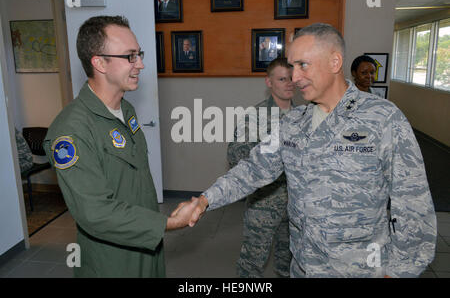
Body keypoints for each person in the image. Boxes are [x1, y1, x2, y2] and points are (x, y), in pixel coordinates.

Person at [176, 23, 437, 278]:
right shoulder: (293, 122)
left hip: (358, 269)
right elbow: (252, 169)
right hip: (303, 265)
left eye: (303, 65)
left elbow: (413, 202)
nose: (295, 77)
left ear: (335, 63)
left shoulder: (382, 118)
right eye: (292, 67)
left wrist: (400, 271)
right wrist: (204, 200)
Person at [43, 15, 198, 278]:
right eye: (130, 57)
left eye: (139, 54)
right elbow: (95, 213)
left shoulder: (125, 109)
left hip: (146, 244)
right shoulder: (71, 131)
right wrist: (169, 223)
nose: (140, 64)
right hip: (112, 257)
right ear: (99, 62)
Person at [228, 58, 294, 278]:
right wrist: (272, 157)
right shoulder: (255, 117)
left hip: (296, 203)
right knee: (252, 263)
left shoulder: (304, 116)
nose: (288, 83)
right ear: (269, 82)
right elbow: (235, 154)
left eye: (292, 78)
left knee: (290, 261)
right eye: (282, 79)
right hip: (264, 202)